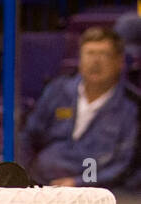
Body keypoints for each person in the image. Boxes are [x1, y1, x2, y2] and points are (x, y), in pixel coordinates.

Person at [20, 26, 139, 188]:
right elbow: (27, 136)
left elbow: (125, 166)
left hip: (98, 193)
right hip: (40, 186)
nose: (95, 61)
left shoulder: (131, 106)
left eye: (103, 54)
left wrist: (78, 183)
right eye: (89, 53)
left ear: (119, 62)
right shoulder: (57, 91)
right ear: (80, 59)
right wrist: (22, 178)